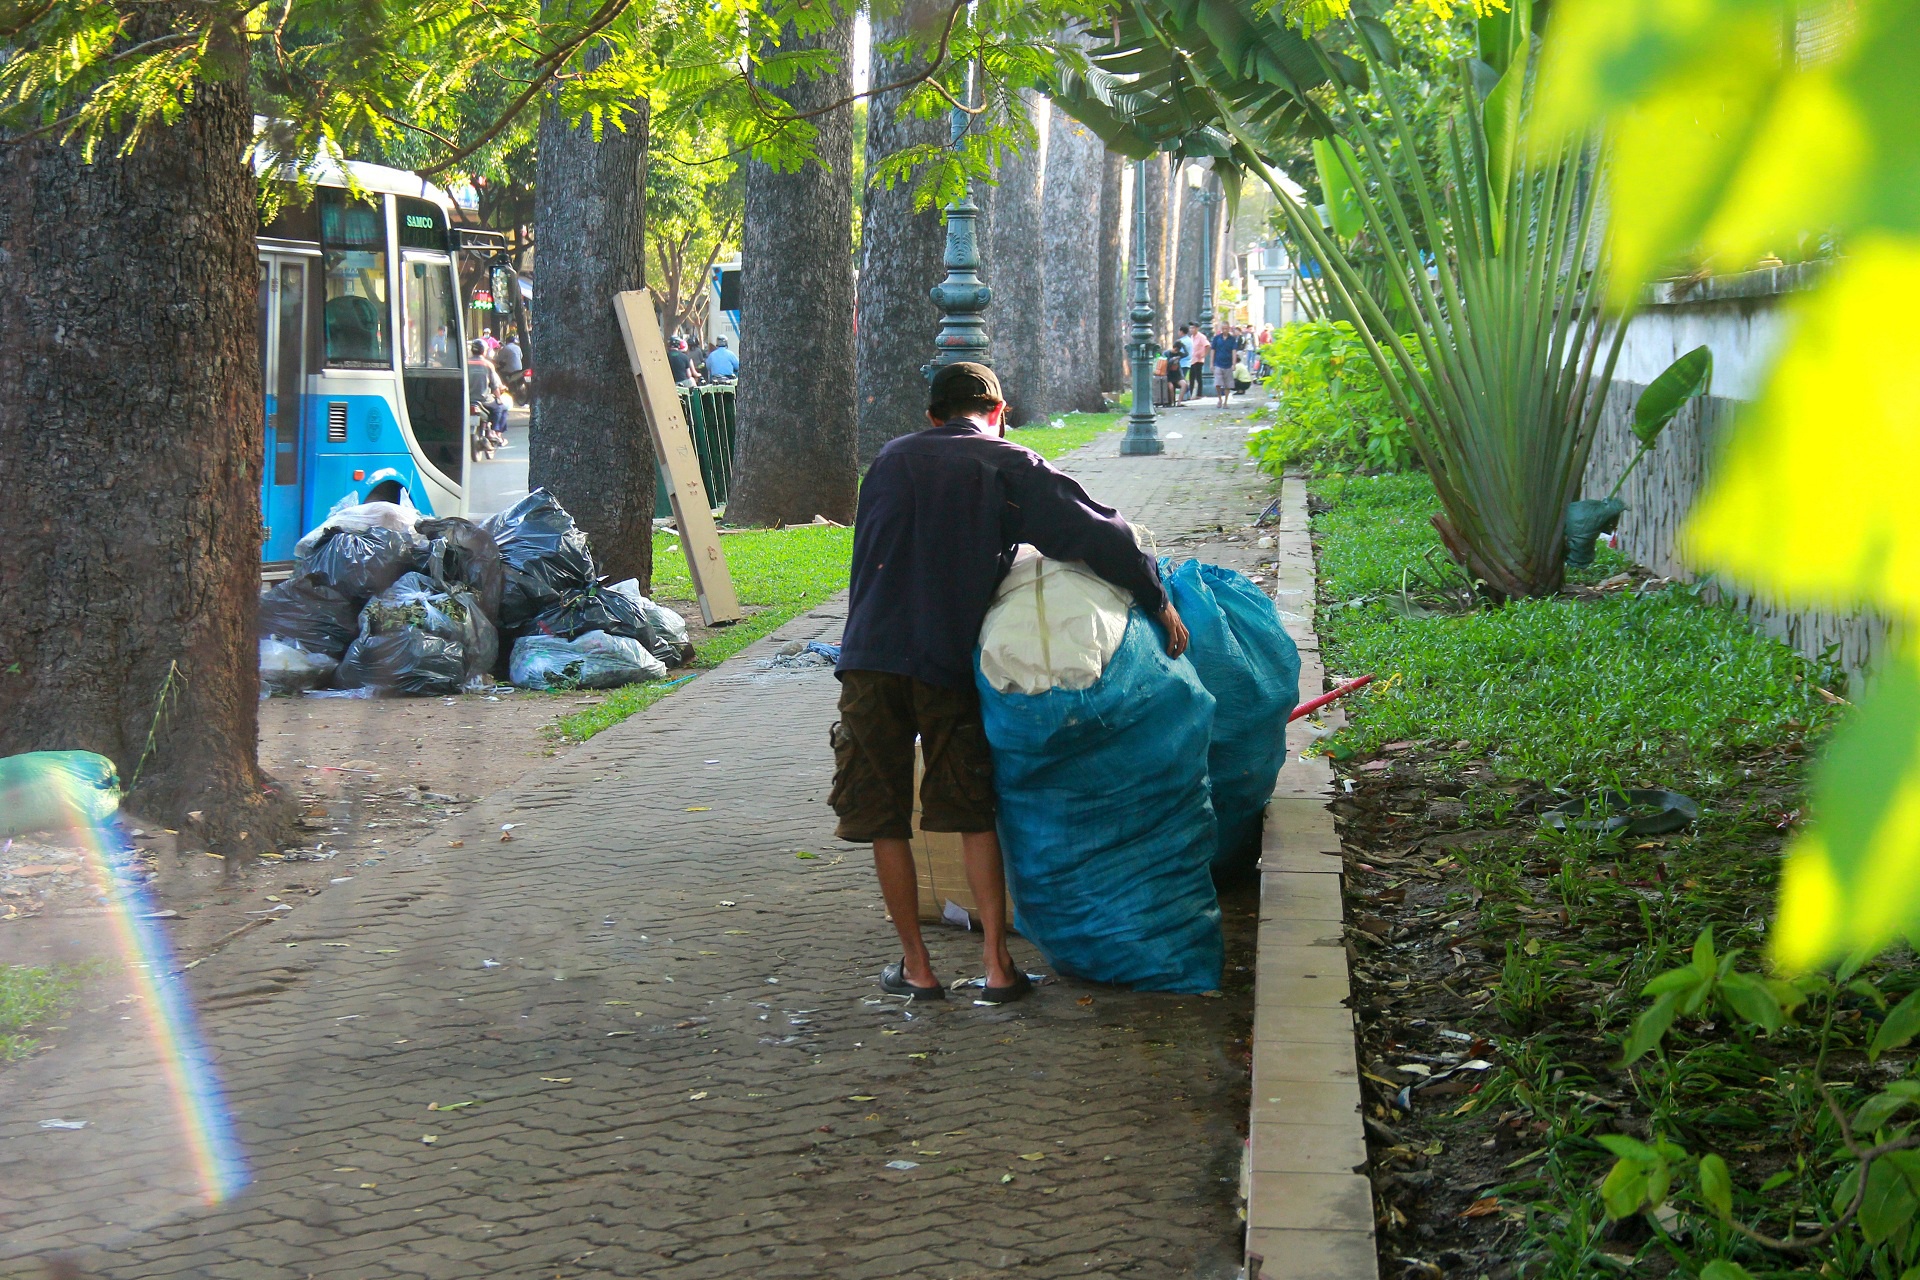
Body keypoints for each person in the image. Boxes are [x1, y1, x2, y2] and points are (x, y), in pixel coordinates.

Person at [833, 362, 1190, 1004]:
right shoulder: (1007, 465)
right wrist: (1156, 599)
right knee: (972, 809)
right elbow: (1099, 534)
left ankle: (916, 968)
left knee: (883, 814)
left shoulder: (887, 461)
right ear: (998, 411)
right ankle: (997, 968)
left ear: (933, 416)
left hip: (868, 657)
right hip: (946, 661)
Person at [466, 339, 508, 456]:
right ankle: (493, 432)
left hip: (467, 399)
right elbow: (494, 385)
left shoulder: (465, 363)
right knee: (501, 408)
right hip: (484, 400)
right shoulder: (488, 365)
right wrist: (498, 398)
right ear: (484, 351)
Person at [1211, 324, 1238, 407]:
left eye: (1226, 328)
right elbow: (1213, 351)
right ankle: (1219, 399)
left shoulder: (1232, 339)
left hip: (1228, 364)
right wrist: (1211, 363)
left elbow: (1234, 352)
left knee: (1228, 384)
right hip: (1218, 363)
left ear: (1229, 329)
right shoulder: (1216, 338)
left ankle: (1225, 402)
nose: (1224, 330)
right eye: (1223, 328)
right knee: (1217, 383)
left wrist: (1234, 364)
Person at [496, 330, 524, 400]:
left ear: (507, 341)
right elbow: (521, 357)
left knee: (500, 373)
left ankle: (505, 387)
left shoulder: (505, 348)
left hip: (510, 369)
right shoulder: (518, 348)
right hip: (519, 368)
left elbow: (498, 359)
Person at [1185, 324, 1207, 401]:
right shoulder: (1192, 337)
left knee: (1198, 377)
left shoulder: (1201, 337)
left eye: (1193, 328)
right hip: (1192, 360)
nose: (1191, 330)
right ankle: (1190, 394)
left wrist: (1203, 355)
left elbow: (1207, 345)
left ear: (1197, 328)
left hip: (1199, 360)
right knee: (1191, 377)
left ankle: (1199, 394)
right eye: (1190, 328)